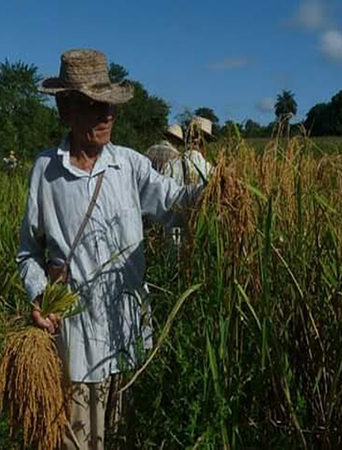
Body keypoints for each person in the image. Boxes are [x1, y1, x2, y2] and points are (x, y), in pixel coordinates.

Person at [16, 49, 203, 450]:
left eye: (110, 107)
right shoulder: (46, 171)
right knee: (77, 440)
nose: (106, 116)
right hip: (75, 343)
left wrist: (214, 194)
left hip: (127, 335)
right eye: (93, 106)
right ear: (66, 110)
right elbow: (28, 251)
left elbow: (176, 204)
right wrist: (37, 293)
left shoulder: (129, 166)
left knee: (124, 437)